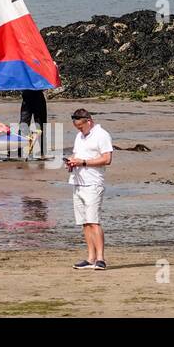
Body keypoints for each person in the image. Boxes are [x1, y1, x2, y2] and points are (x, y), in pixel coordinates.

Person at [64, 108, 113, 270]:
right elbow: (78, 155)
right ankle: (90, 257)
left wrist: (83, 162)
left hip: (93, 183)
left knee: (94, 221)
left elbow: (107, 159)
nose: (79, 130)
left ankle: (101, 258)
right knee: (84, 222)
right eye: (77, 127)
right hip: (77, 182)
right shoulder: (79, 136)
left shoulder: (102, 135)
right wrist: (72, 163)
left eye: (81, 126)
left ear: (89, 122)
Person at [19, 89, 48, 155]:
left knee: (40, 126)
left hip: (37, 98)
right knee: (23, 125)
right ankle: (19, 149)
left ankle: (43, 150)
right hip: (28, 99)